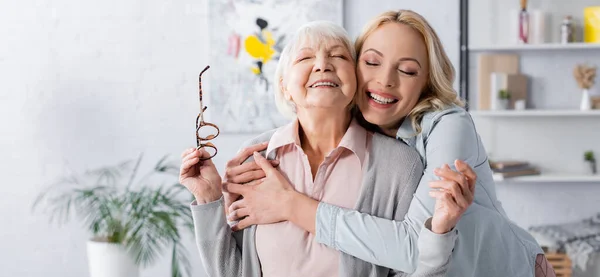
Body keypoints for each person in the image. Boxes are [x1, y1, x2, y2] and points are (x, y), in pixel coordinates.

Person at [224, 10, 556, 277]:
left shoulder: (449, 127)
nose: (385, 80)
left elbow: (413, 247)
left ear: (426, 83)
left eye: (408, 70)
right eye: (371, 62)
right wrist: (268, 144)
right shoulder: (370, 127)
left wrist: (289, 205)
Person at [180, 20, 475, 277]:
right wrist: (208, 198)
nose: (323, 64)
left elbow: (414, 267)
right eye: (305, 57)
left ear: (356, 80)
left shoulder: (400, 164)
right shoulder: (255, 156)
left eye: (338, 55)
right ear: (284, 86)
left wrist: (441, 230)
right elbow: (231, 272)